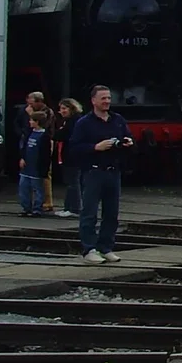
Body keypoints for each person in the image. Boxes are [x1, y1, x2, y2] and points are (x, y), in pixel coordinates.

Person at [69, 85, 134, 264]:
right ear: (93, 101)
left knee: (111, 213)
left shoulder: (118, 120)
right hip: (93, 171)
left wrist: (127, 143)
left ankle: (106, 247)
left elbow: (127, 137)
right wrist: (95, 147)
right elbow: (73, 148)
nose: (107, 102)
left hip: (113, 172)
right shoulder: (84, 123)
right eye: (103, 98)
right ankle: (89, 249)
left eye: (108, 98)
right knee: (89, 212)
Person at [17, 109, 51, 216]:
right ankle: (26, 208)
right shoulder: (29, 133)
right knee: (23, 188)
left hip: (36, 168)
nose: (29, 122)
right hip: (26, 167)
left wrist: (44, 170)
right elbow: (24, 147)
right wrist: (22, 158)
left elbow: (46, 155)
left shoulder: (45, 136)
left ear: (37, 122)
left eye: (32, 120)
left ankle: (37, 209)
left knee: (38, 190)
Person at [55, 99, 84, 218]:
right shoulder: (69, 121)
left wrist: (59, 132)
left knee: (73, 183)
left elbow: (62, 135)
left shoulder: (73, 122)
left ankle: (75, 209)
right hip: (69, 155)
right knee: (70, 182)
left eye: (64, 109)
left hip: (73, 156)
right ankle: (68, 207)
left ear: (71, 108)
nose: (61, 111)